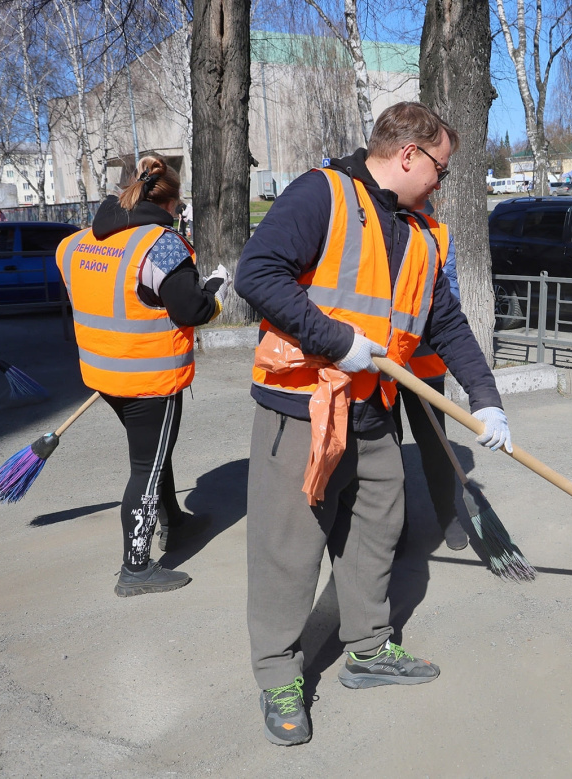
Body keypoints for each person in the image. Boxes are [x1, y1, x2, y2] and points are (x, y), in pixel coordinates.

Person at [234, 101, 511, 747]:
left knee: (379, 523)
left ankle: (367, 648)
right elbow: (258, 275)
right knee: (290, 545)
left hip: (373, 408)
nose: (443, 181)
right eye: (441, 167)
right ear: (409, 153)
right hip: (303, 405)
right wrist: (333, 339)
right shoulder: (321, 194)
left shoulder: (415, 230)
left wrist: (486, 397)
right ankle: (279, 675)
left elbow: (445, 320)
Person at [55, 155, 230, 597]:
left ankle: (174, 521)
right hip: (150, 379)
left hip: (102, 373)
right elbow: (189, 309)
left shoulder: (74, 244)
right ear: (170, 202)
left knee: (152, 458)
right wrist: (213, 292)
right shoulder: (162, 246)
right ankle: (135, 568)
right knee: (146, 468)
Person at [392, 228, 467, 551]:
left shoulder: (440, 235)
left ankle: (448, 515)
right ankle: (396, 525)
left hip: (425, 364)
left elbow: (450, 297)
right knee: (387, 450)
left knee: (436, 447)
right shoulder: (373, 226)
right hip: (382, 366)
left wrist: (416, 332)